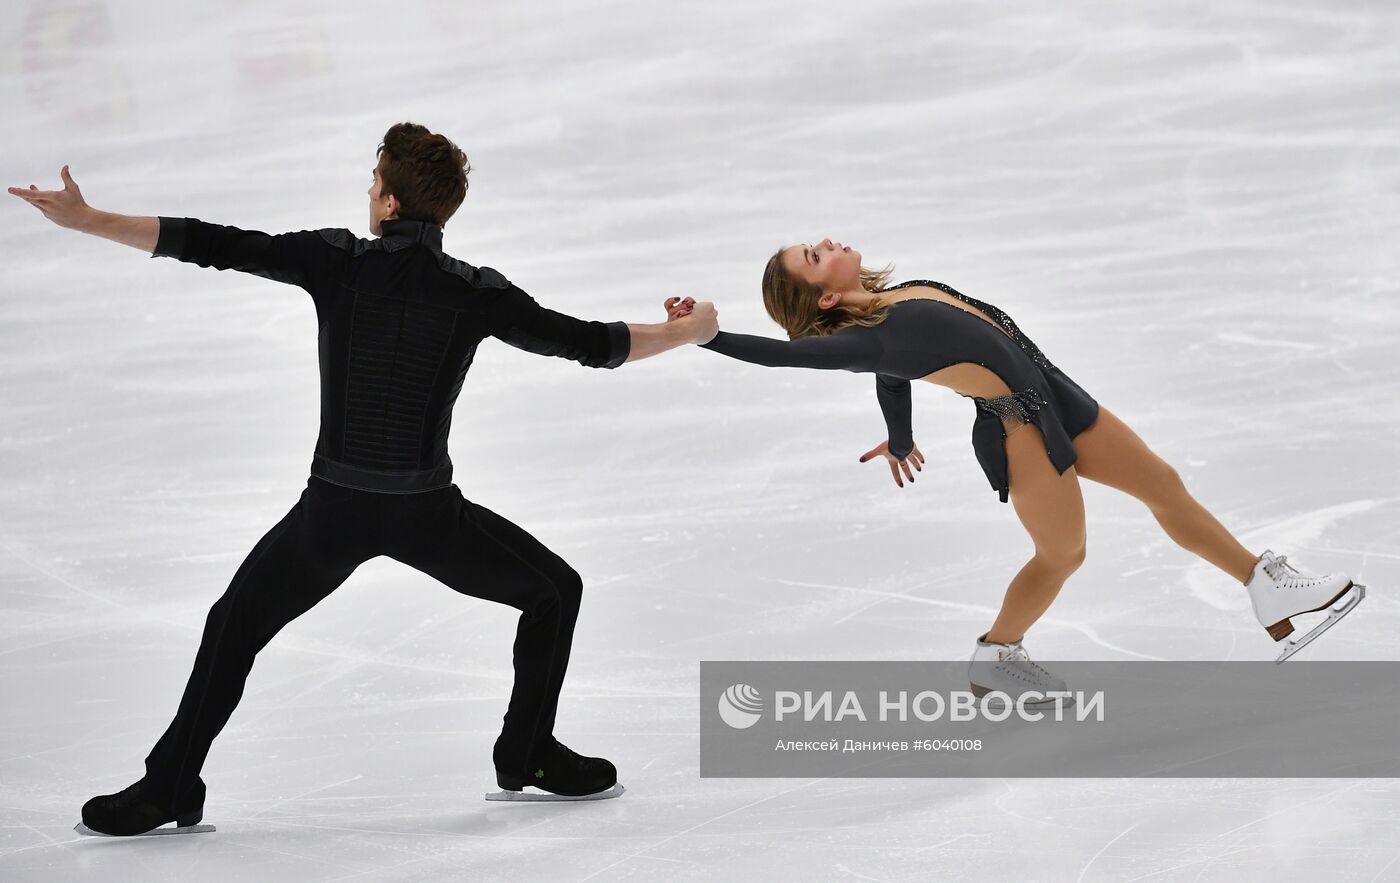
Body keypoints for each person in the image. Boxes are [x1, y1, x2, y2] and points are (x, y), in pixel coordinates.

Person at [8, 122, 719, 836]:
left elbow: (211, 243)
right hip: (426, 514)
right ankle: (527, 752)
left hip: (335, 513)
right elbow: (590, 343)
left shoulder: (336, 260)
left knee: (235, 623)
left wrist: (89, 219)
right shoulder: (477, 293)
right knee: (554, 590)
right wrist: (687, 333)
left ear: (386, 203)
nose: (368, 193)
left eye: (372, 183)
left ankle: (168, 785)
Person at [663, 237, 1363, 702]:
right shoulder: (861, 338)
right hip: (1020, 428)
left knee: (1164, 484)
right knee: (1063, 554)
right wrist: (711, 336)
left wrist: (899, 434)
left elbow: (892, 375)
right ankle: (998, 654)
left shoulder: (895, 299)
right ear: (819, 297)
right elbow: (795, 356)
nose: (832, 243)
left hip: (1056, 391)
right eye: (816, 255)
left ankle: (1264, 583)